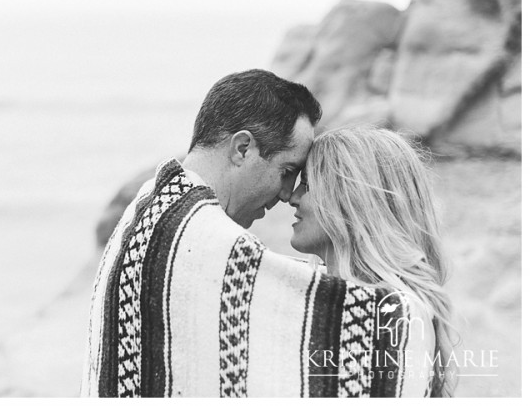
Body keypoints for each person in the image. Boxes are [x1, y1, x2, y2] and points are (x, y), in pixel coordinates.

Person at [82, 69, 434, 397]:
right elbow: (371, 325)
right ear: (243, 148)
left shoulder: (150, 206)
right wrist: (407, 316)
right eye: (287, 171)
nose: (286, 195)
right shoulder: (200, 239)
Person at [289, 125, 457, 397]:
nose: (292, 197)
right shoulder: (315, 293)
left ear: (350, 199)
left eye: (307, 184)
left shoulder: (392, 315)